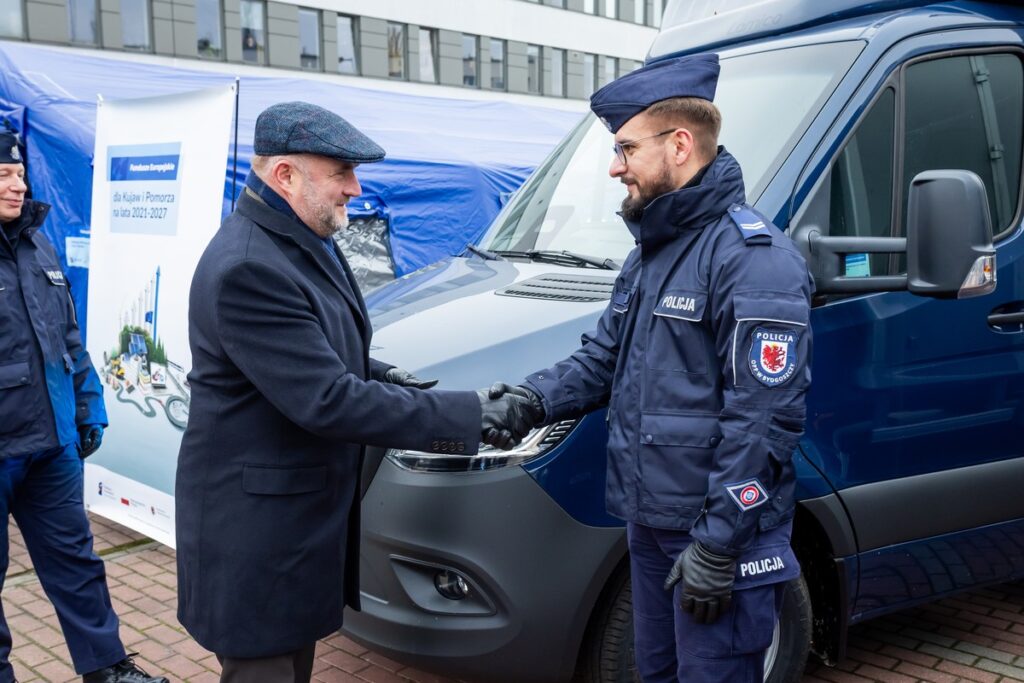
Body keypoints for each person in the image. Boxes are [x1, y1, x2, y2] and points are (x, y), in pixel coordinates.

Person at [175, 101, 532, 683]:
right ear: (285, 174)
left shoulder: (296, 238)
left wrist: (381, 375)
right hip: (256, 542)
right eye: (340, 171)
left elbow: (312, 349)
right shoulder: (249, 266)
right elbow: (326, 399)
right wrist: (470, 415)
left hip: (288, 532)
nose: (354, 188)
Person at [488, 54, 813, 682]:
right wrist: (529, 401)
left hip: (718, 536)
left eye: (626, 149)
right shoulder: (652, 257)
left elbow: (765, 417)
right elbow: (604, 357)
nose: (615, 167)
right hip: (653, 524)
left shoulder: (752, 259)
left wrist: (720, 543)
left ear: (680, 145)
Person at [0, 131, 168, 683]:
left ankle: (107, 668)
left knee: (76, 563)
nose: (17, 183)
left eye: (20, 174)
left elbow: (68, 337)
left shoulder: (37, 244)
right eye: (4, 175)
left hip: (51, 446)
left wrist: (87, 405)